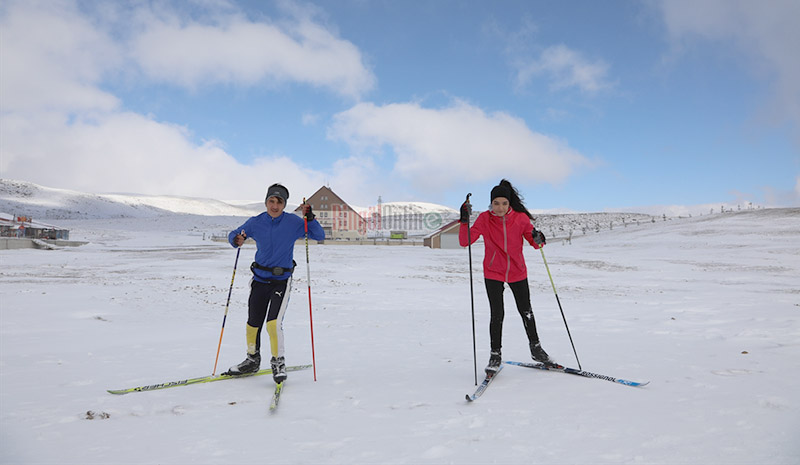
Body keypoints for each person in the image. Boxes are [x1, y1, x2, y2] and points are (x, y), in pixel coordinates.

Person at [225, 183, 325, 383]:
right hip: (259, 280)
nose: (275, 205)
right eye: (272, 201)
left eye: (279, 202)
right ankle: (252, 360)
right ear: (266, 202)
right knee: (252, 324)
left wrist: (310, 219)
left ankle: (278, 362)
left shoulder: (293, 223)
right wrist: (235, 239)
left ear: (284, 204)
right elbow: (235, 234)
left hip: (281, 281)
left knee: (273, 323)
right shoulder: (255, 222)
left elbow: (319, 236)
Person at [459, 179, 555, 374]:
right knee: (497, 314)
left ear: (509, 203)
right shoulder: (485, 219)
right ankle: (495, 355)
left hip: (517, 271)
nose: (500, 207)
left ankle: (536, 349)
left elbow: (535, 244)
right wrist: (463, 220)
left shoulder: (520, 219)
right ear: (491, 204)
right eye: (496, 203)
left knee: (526, 311)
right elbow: (464, 241)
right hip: (493, 272)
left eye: (504, 203)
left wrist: (539, 238)